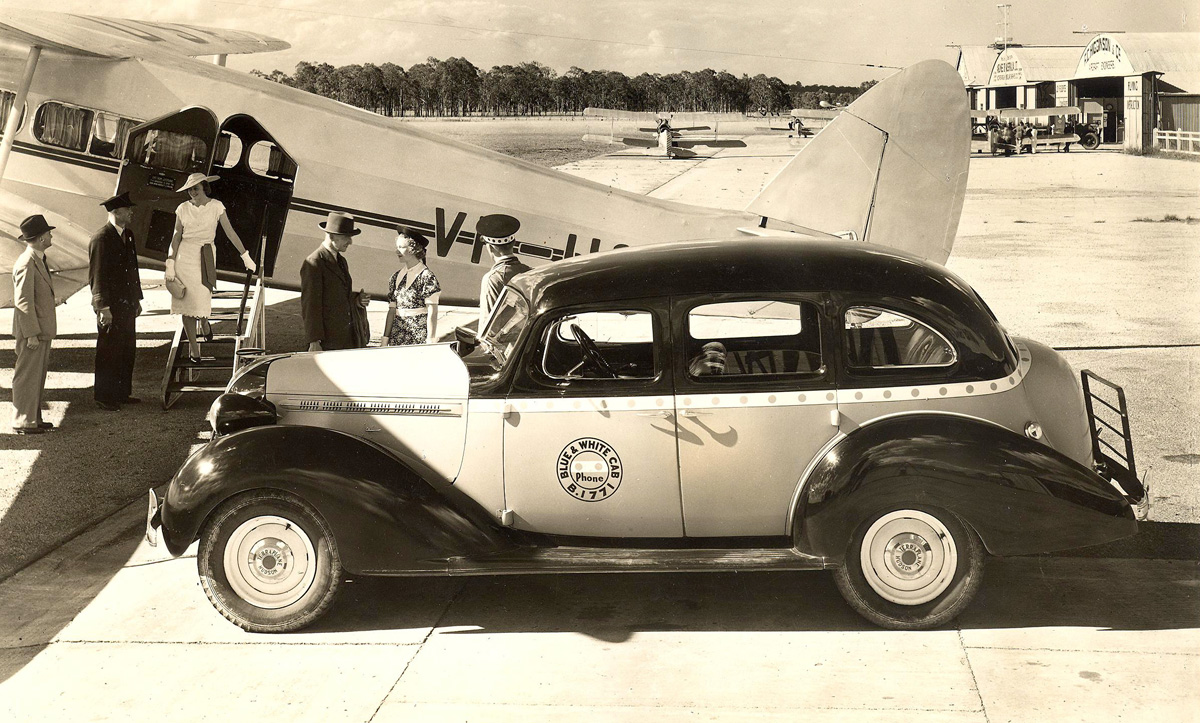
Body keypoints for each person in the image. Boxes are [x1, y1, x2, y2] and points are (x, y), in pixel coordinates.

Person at [164, 173, 256, 362]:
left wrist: (245, 255)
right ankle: (194, 349)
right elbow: (176, 235)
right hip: (184, 256)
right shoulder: (182, 208)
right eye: (189, 189)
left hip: (205, 254)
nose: (192, 192)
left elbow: (230, 233)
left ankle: (205, 322)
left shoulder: (216, 206)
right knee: (186, 303)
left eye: (196, 188)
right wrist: (170, 262)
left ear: (205, 187)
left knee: (201, 298)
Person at [89, 192, 143, 411]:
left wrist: (137, 298)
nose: (131, 212)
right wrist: (102, 307)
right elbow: (97, 275)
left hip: (127, 303)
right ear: (116, 212)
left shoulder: (127, 235)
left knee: (126, 348)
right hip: (111, 305)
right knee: (109, 350)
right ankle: (104, 395)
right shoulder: (101, 238)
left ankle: (121, 392)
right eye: (128, 209)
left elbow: (133, 269)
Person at [10, 215, 58, 434]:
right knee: (27, 376)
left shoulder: (37, 259)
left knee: (36, 376)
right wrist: (30, 334)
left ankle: (33, 418)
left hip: (40, 330)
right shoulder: (27, 263)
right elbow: (23, 302)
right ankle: (23, 421)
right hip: (33, 331)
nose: (50, 236)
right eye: (48, 233)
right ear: (40, 239)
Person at [301, 212, 370, 351]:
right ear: (331, 236)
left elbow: (339, 295)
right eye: (346, 237)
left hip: (347, 338)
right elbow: (310, 305)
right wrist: (314, 341)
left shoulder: (341, 261)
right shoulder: (314, 262)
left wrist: (357, 300)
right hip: (328, 341)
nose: (350, 242)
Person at [385, 227, 441, 345]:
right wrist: (385, 339)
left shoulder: (427, 277)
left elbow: (432, 311)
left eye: (401, 248)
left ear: (413, 249)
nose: (397, 251)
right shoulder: (395, 277)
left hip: (418, 337)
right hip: (397, 336)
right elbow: (391, 311)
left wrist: (430, 341)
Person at [476, 213, 530, 331]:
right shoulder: (530, 272)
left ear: (490, 247)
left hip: (509, 347)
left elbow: (489, 328)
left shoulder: (493, 278)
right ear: (513, 243)